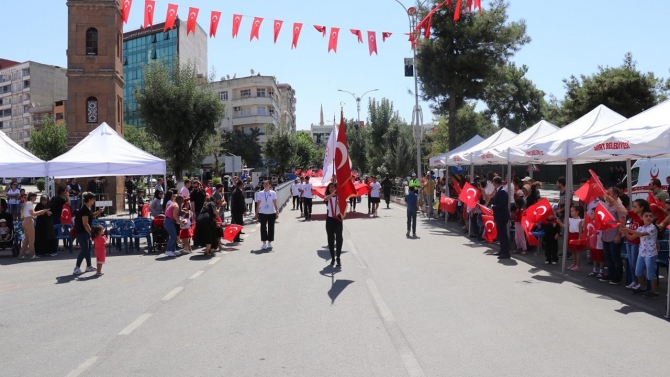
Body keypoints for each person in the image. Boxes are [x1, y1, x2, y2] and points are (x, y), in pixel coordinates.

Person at [621, 210, 660, 298]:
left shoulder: (652, 228)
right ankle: (643, 287)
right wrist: (625, 232)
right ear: (641, 218)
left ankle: (654, 292)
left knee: (651, 274)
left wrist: (628, 229)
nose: (649, 217)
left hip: (651, 254)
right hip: (642, 253)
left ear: (653, 218)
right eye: (646, 216)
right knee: (638, 272)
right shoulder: (641, 227)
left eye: (650, 216)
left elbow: (641, 234)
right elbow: (631, 237)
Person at [599, 187, 627, 285]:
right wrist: (603, 233)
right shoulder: (608, 206)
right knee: (608, 256)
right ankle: (610, 274)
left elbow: (622, 221)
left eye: (609, 193)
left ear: (615, 195)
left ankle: (617, 277)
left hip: (614, 235)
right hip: (607, 234)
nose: (607, 195)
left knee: (615, 257)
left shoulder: (619, 207)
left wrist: (618, 235)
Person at [73, 192, 104, 274]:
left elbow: (91, 216)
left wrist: (98, 212)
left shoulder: (88, 208)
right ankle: (77, 267)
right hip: (82, 232)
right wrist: (91, 233)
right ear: (89, 199)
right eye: (93, 199)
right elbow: (85, 224)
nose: (94, 201)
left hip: (85, 232)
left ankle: (89, 266)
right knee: (85, 249)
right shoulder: (84, 210)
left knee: (88, 249)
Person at [622, 199, 649, 288]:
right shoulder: (633, 214)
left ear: (641, 208)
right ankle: (634, 281)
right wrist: (625, 232)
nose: (633, 208)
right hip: (629, 241)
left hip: (637, 243)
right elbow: (627, 222)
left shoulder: (644, 218)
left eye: (635, 207)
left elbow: (641, 232)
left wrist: (627, 230)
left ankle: (641, 282)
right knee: (630, 263)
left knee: (635, 263)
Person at [18, 193, 51, 260]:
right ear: (32, 197)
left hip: (26, 221)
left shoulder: (26, 203)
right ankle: (32, 255)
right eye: (35, 197)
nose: (36, 199)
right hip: (29, 221)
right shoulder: (29, 203)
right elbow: (33, 213)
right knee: (31, 239)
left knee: (27, 239)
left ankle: (21, 254)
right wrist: (44, 211)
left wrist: (43, 211)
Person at [490, 177, 510, 259]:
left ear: (495, 183)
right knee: (501, 235)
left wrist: (493, 206)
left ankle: (506, 252)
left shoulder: (502, 191)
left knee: (503, 234)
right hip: (499, 215)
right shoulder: (500, 190)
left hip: (502, 216)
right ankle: (502, 250)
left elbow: (502, 204)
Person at [324, 183, 343, 267]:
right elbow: (325, 198)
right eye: (330, 188)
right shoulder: (328, 197)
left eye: (333, 187)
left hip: (338, 220)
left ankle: (338, 257)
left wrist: (340, 204)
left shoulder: (340, 198)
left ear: (336, 188)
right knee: (330, 240)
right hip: (330, 221)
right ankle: (332, 258)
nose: (331, 189)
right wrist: (332, 194)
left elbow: (344, 209)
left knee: (339, 239)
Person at [255, 180, 278, 250]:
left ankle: (270, 242)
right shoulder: (260, 193)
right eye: (264, 184)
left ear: (270, 185)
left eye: (267, 184)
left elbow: (275, 203)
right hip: (262, 212)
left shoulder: (273, 193)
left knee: (271, 227)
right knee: (263, 228)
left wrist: (277, 212)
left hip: (271, 212)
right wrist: (256, 213)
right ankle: (264, 242)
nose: (265, 185)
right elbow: (258, 203)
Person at [564, 206, 584, 271]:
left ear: (577, 212)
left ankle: (578, 265)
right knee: (573, 251)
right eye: (570, 211)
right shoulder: (570, 219)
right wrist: (560, 223)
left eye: (572, 211)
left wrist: (579, 239)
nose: (571, 212)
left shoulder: (579, 220)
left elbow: (580, 231)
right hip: (571, 235)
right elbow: (566, 226)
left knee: (577, 251)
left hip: (576, 235)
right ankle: (574, 263)